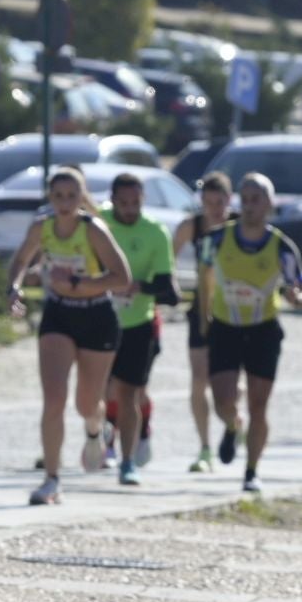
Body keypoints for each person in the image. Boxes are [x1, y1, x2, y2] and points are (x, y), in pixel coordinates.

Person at [7, 166, 132, 505]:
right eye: (58, 196)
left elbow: (122, 277)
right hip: (58, 314)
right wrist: (14, 288)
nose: (64, 203)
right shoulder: (42, 227)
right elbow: (21, 259)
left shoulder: (93, 230)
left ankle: (96, 429)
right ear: (50, 197)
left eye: (71, 196)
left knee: (85, 404)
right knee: (54, 399)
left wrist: (81, 284)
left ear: (81, 198)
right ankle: (51, 480)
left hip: (96, 316)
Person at [199, 172, 302, 493]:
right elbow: (205, 278)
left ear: (270, 204)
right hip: (225, 327)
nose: (249, 206)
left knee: (259, 405)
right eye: (245, 199)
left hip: (263, 330)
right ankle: (232, 425)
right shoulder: (218, 239)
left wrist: (298, 297)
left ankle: (251, 470)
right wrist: (203, 321)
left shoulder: (281, 246)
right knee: (223, 400)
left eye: (256, 199)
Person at [102, 173, 180, 485]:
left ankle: (128, 460)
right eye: (123, 203)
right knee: (101, 391)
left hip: (140, 322)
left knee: (130, 393)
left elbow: (165, 287)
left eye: (136, 202)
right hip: (102, 319)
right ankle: (101, 437)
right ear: (113, 200)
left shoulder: (156, 233)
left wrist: (136, 286)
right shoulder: (98, 224)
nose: (130, 208)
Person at [170, 171, 234, 472]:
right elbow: (167, 259)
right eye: (209, 202)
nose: (214, 209)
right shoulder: (191, 227)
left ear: (228, 200)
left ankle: (236, 421)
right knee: (198, 379)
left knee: (229, 384)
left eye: (219, 202)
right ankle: (205, 447)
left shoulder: (239, 227)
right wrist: (170, 289)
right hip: (202, 309)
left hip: (237, 311)